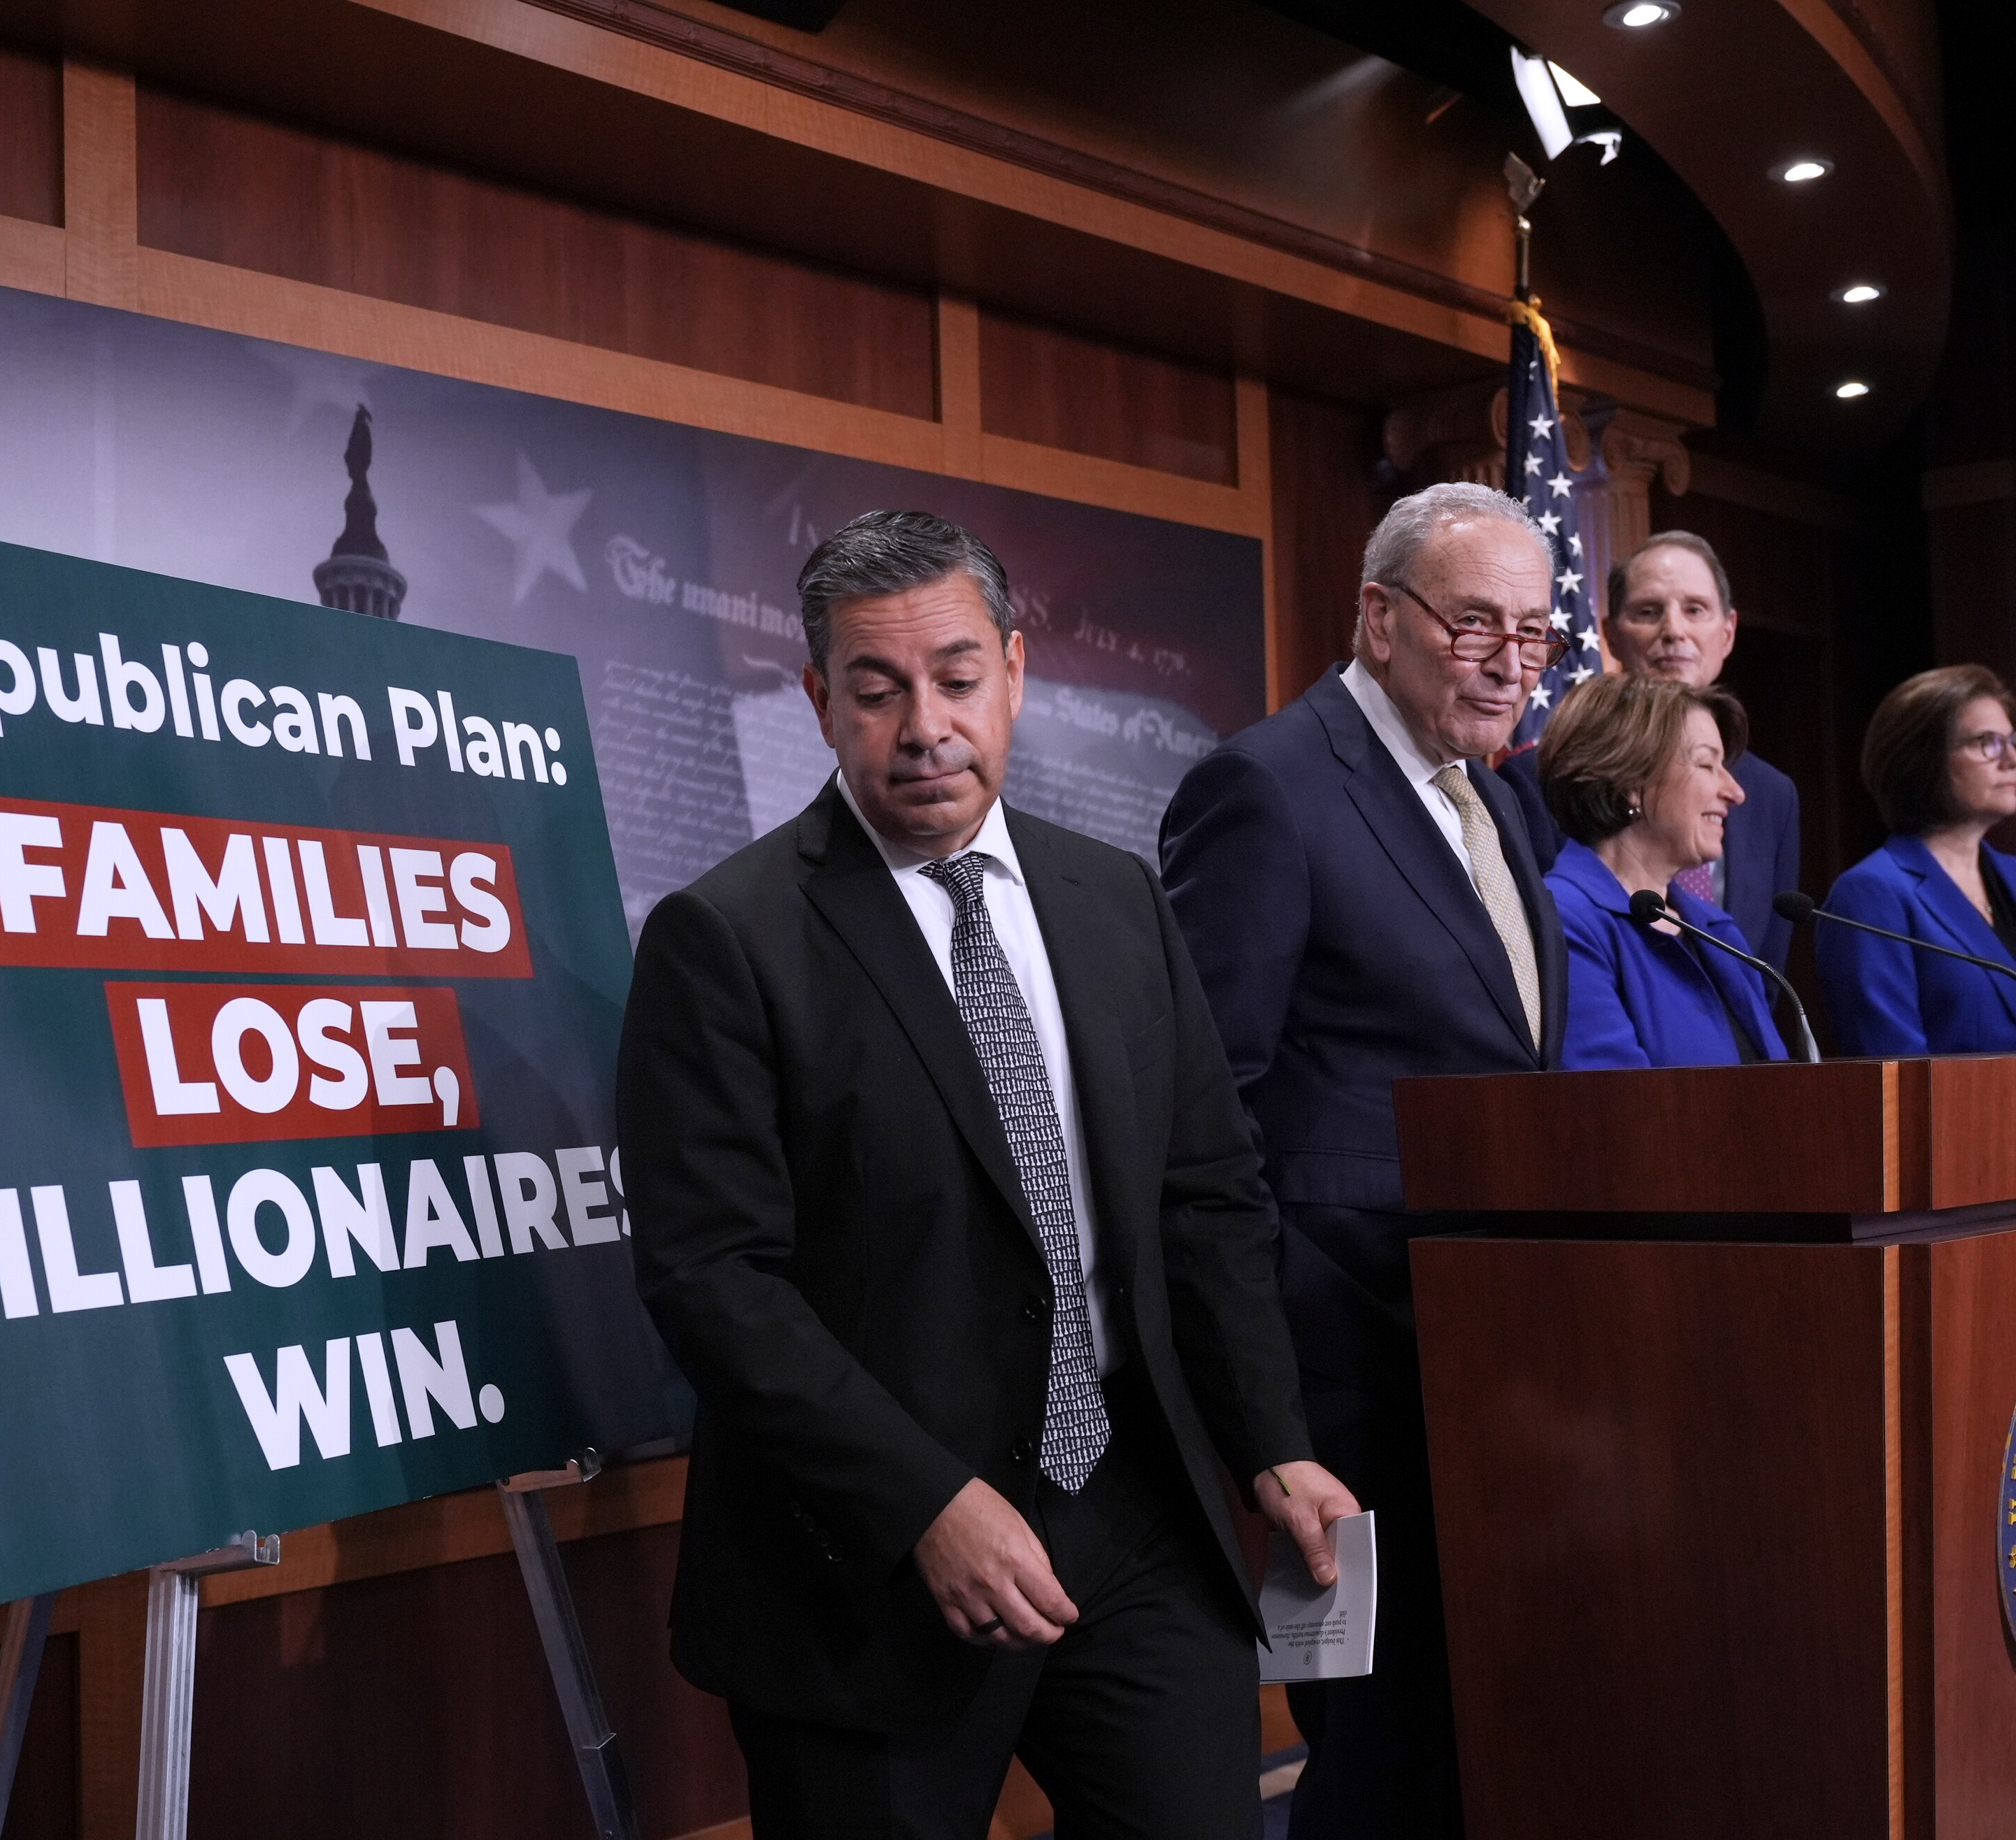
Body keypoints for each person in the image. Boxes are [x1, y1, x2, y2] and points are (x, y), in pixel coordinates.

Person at [620, 510, 1356, 1839]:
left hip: (1134, 1527)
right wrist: (924, 1505)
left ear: (1015, 671)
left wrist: (1273, 1442)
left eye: (956, 678)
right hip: (867, 1572)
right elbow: (714, 1280)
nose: (923, 728)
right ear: (817, 699)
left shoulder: (1117, 900)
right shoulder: (723, 940)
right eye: (876, 689)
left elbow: (1206, 1198)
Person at [1159, 480, 1566, 1840]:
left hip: (1485, 1361)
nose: (1512, 663)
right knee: (1367, 1749)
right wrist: (1266, 1420)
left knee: (1475, 1739)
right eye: (1475, 627)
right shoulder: (1265, 788)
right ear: (1379, 619)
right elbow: (1204, 1116)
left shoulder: (1500, 807)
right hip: (1337, 1386)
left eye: (1535, 632)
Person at [1502, 530, 1803, 968]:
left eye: (1695, 610)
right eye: (1649, 611)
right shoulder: (1539, 777)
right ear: (1612, 635)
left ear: (1728, 632)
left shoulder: (1772, 795)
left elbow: (1767, 978)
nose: (1673, 630)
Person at [1816, 663, 2016, 1056]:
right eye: (1988, 742)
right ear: (1923, 759)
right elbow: (1892, 1068)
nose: (2014, 759)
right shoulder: (1872, 894)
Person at [1536, 673, 1786, 1069]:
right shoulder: (1564, 921)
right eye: (1707, 764)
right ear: (1631, 780)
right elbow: (1617, 1107)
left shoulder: (1715, 929)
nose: (1735, 792)